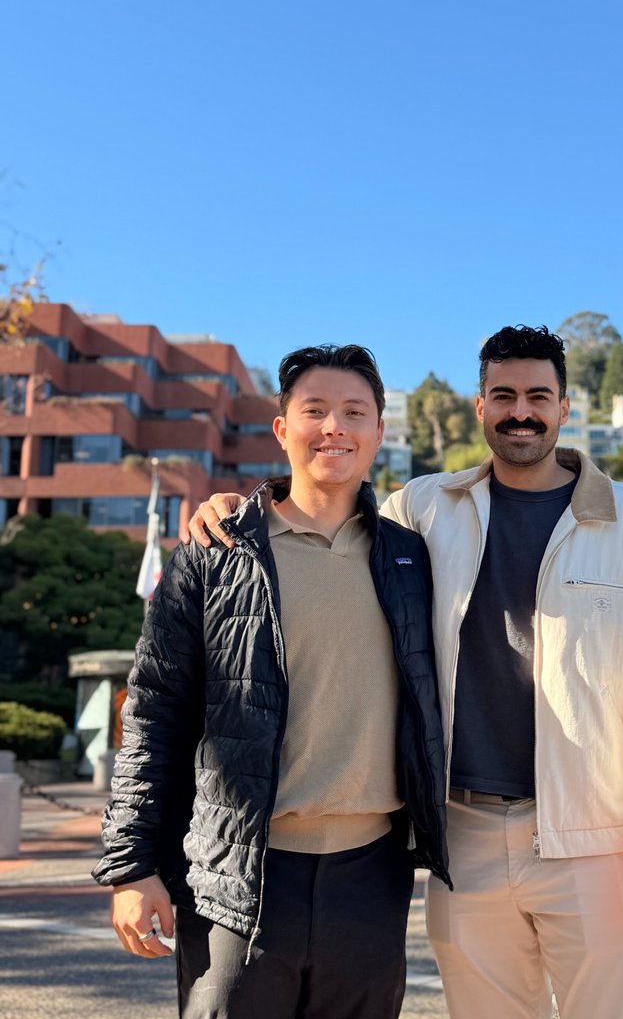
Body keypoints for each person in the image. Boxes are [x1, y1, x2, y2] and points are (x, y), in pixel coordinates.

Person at [189, 325, 623, 1019]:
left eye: (537, 396)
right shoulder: (424, 509)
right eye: (504, 395)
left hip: (595, 840)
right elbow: (328, 506)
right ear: (479, 407)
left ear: (563, 407)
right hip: (462, 839)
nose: (520, 411)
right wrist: (243, 508)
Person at [94, 344, 450, 1019]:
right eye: (314, 411)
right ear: (283, 430)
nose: (334, 428)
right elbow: (154, 711)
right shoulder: (217, 549)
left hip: (372, 876)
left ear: (379, 430)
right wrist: (132, 864)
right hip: (238, 874)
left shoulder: (409, 556)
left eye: (354, 412)